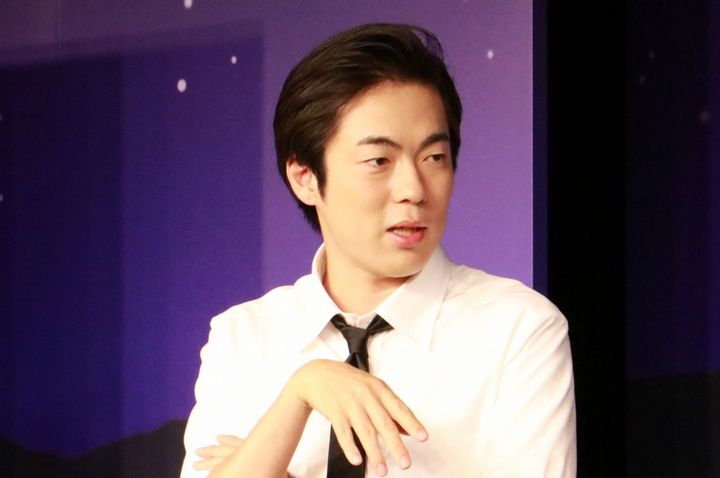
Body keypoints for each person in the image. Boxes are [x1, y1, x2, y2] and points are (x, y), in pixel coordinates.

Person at [180, 23, 576, 478]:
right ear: (305, 177)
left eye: (434, 158)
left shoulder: (518, 330)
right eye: (378, 161)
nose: (413, 189)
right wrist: (301, 391)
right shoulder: (242, 339)